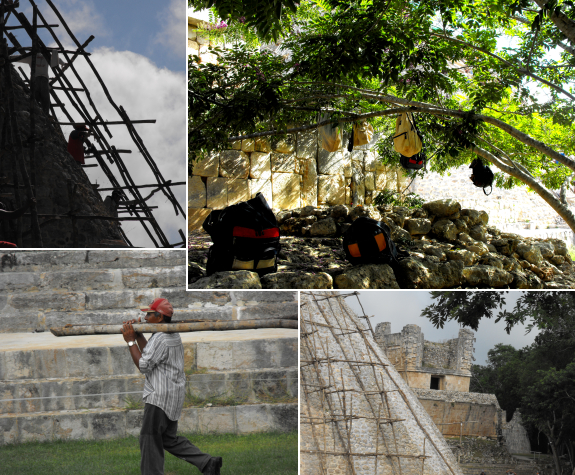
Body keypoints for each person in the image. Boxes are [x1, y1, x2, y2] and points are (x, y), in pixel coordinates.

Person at [121, 298, 222, 475]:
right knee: (168, 439)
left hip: (159, 397)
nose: (144, 318)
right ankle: (207, 463)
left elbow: (144, 366)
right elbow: (151, 355)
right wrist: (138, 335)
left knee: (149, 439)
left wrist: (130, 342)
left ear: (159, 318)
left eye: (149, 314)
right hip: (172, 395)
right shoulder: (170, 333)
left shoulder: (161, 338)